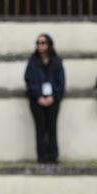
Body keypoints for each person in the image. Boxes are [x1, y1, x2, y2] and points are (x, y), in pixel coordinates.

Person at [24, 33, 66, 164]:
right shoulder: (32, 61)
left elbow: (61, 82)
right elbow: (29, 80)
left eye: (42, 43)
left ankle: (53, 156)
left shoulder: (57, 61)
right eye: (37, 43)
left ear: (49, 44)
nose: (39, 45)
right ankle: (41, 156)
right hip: (37, 100)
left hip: (53, 99)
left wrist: (53, 96)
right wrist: (38, 96)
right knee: (40, 128)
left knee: (52, 127)